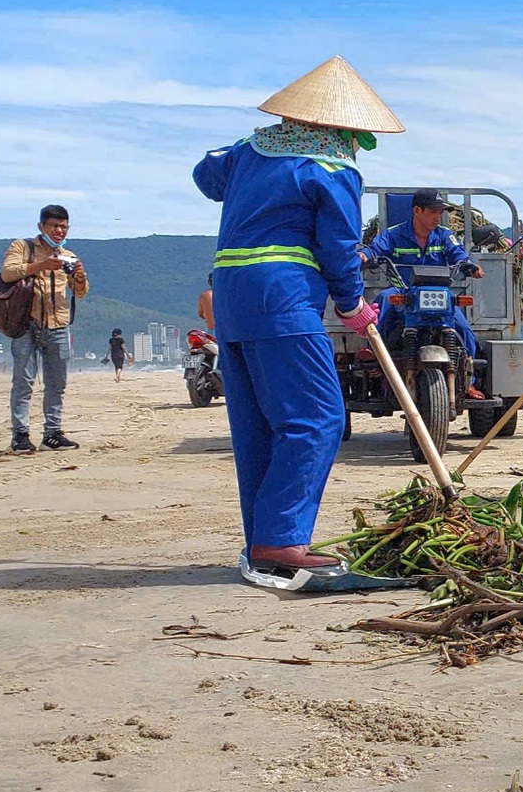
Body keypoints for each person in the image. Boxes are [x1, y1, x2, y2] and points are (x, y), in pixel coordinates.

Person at [192, 55, 401, 589]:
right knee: (318, 418)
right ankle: (282, 541)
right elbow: (338, 246)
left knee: (258, 424)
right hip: (282, 295)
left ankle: (264, 543)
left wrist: (254, 144)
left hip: (231, 296)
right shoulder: (332, 167)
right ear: (346, 126)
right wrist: (353, 306)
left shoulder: (251, 151)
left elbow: (205, 174)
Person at [360, 189, 486, 400]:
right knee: (384, 300)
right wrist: (365, 256)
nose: (438, 216)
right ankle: (376, 355)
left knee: (463, 328)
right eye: (433, 211)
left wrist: (469, 266)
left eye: (441, 212)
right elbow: (376, 249)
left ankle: (468, 381)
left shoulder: (445, 235)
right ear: (417, 210)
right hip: (404, 291)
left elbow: (458, 255)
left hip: (438, 294)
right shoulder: (394, 233)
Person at [3, 204, 90, 453]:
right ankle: (20, 435)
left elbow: (81, 293)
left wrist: (80, 276)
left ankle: (52, 433)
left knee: (57, 383)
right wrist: (40, 265)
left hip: (58, 325)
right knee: (23, 381)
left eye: (64, 226)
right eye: (54, 226)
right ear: (42, 226)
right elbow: (8, 273)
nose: (59, 231)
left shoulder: (69, 255)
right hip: (26, 324)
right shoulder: (22, 247)